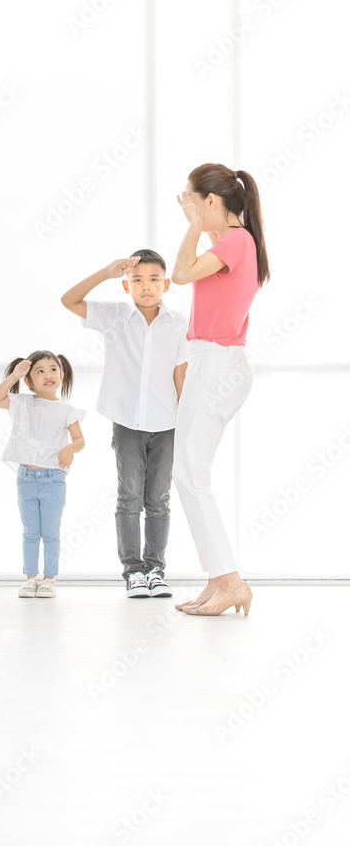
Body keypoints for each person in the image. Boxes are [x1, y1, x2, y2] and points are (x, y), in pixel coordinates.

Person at [171, 163, 270, 616]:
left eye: (192, 199)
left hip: (218, 365)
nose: (187, 206)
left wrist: (193, 224)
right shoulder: (230, 242)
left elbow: (181, 273)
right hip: (209, 363)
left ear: (211, 202)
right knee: (188, 473)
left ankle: (231, 582)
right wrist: (199, 223)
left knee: (191, 474)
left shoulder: (236, 240)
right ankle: (219, 580)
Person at [62, 252, 188, 598]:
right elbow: (68, 300)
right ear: (126, 284)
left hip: (167, 424)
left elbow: (181, 375)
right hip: (127, 422)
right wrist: (104, 271)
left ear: (165, 284)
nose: (145, 287)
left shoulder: (178, 323)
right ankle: (133, 572)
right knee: (130, 497)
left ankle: (156, 570)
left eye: (153, 280)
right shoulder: (115, 315)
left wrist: (187, 425)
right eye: (137, 280)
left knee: (159, 500)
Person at [0, 352, 85, 598]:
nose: (47, 375)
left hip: (54, 479)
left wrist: (70, 448)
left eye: (53, 369)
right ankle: (31, 578)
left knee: (51, 532)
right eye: (39, 371)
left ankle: (49, 579)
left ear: (62, 376)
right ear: (29, 381)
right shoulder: (21, 403)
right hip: (26, 479)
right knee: (31, 531)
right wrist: (14, 376)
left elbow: (80, 440)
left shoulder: (67, 410)